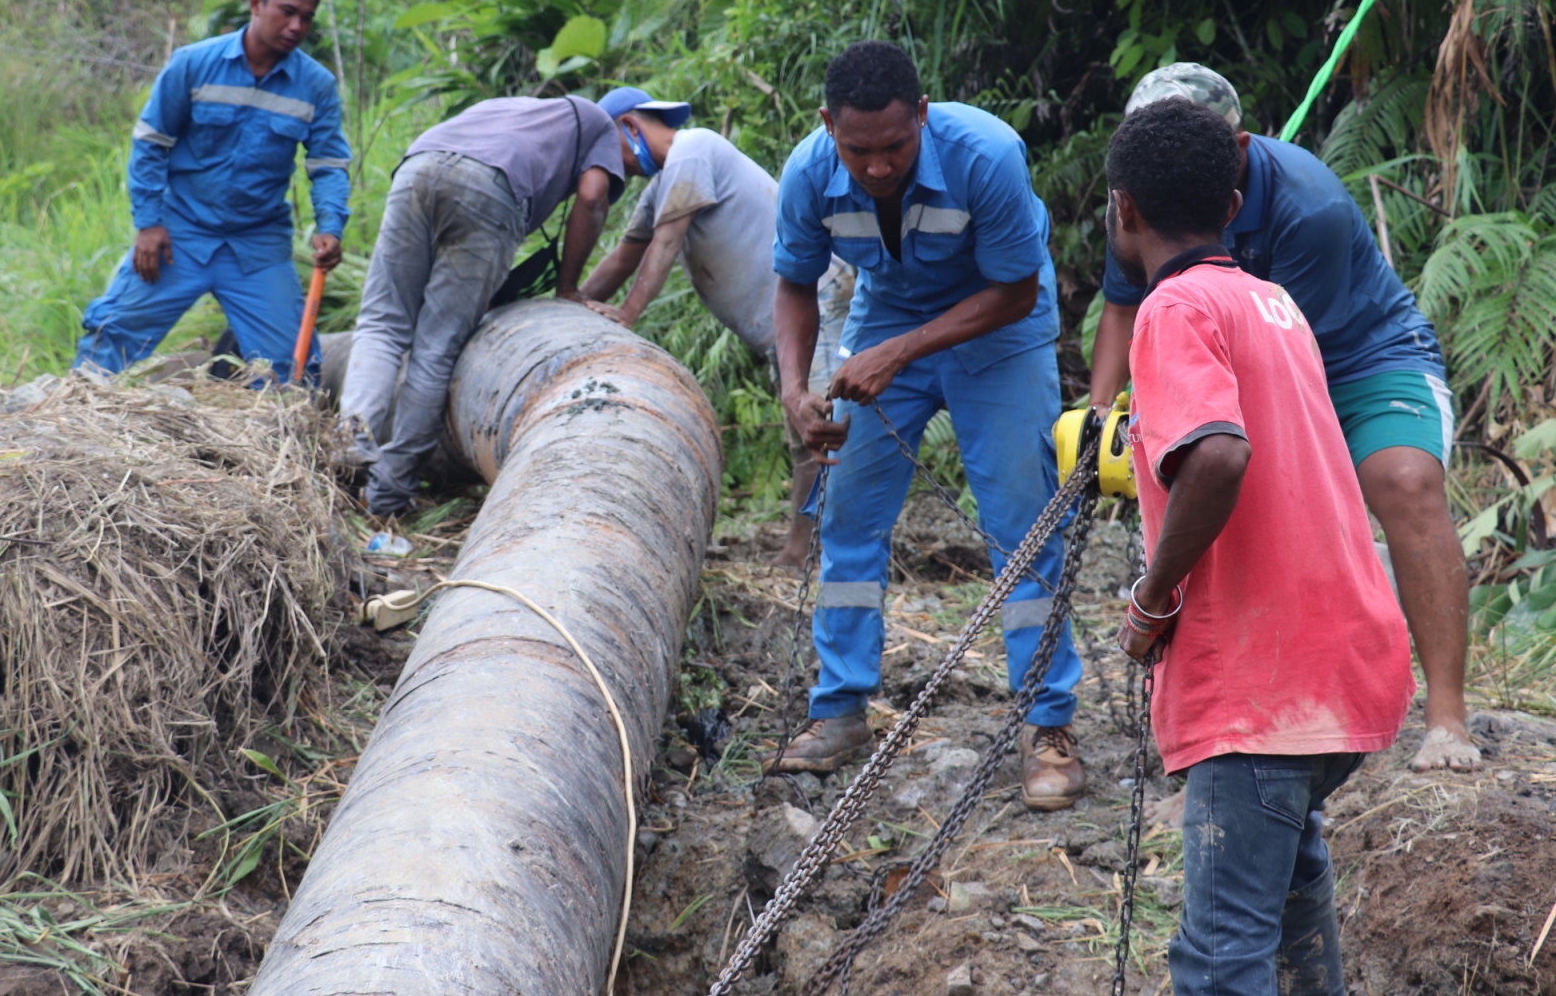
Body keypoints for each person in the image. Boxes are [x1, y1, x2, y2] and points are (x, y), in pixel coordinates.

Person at [1108, 97, 1412, 996]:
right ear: (1237, 202)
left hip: (1259, 687)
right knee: (1283, 862)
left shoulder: (1173, 308)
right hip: (1343, 668)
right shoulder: (1270, 302)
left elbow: (1220, 455)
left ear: (1122, 211)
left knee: (1221, 958)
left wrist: (1153, 598)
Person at [1088, 63, 1477, 773]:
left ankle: (1447, 715)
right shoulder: (1141, 199)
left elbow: (1284, 349)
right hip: (1243, 358)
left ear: (1236, 148)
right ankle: (1251, 712)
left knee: (1405, 482)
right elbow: (1123, 305)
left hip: (1358, 353)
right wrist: (1098, 417)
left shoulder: (1308, 204)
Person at [771, 40, 1085, 807]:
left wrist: (899, 353)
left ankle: (1047, 725)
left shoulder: (987, 155)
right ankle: (840, 708)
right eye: (858, 150)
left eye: (894, 146)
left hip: (998, 334)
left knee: (1023, 523)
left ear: (921, 114)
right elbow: (793, 284)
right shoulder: (809, 172)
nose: (877, 167)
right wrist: (794, 389)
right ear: (827, 126)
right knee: (847, 513)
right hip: (888, 322)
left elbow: (1014, 291)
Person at [340, 94, 625, 516]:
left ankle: (349, 442)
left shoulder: (516, 109)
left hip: (419, 164)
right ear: (629, 125)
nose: (628, 171)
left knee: (382, 324)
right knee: (436, 348)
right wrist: (569, 287)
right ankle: (388, 497)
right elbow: (592, 197)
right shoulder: (601, 121)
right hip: (489, 187)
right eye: (630, 167)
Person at [577, 86, 823, 566]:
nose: (620, 169)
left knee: (815, 428)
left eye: (616, 154)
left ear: (629, 126)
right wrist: (573, 302)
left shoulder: (694, 149)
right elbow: (623, 256)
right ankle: (807, 548)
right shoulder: (663, 184)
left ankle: (804, 554)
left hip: (820, 303)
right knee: (806, 430)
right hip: (780, 326)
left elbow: (664, 246)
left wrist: (627, 315)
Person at [75, 0, 350, 380]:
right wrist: (148, 224)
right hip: (179, 236)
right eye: (288, 12)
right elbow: (150, 144)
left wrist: (330, 225)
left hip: (257, 247)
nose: (297, 26)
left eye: (307, 18)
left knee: (289, 369)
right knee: (113, 335)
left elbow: (329, 164)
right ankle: (77, 425)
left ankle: (275, 443)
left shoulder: (316, 86)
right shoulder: (193, 64)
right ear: (257, 3)